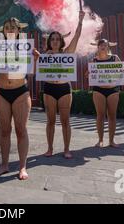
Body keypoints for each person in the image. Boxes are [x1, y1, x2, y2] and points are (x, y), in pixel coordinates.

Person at [0, 18, 36, 181]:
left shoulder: (26, 47)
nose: (10, 30)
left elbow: (31, 73)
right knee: (4, 130)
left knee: (21, 130)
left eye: (13, 28)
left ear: (19, 30)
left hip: (20, 92)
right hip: (1, 91)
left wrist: (36, 60)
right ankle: (4, 165)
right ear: (3, 30)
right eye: (7, 27)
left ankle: (22, 167)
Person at [39, 10, 85, 159]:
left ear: (61, 41)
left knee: (65, 120)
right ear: (49, 41)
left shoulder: (67, 53)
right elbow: (36, 68)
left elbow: (77, 36)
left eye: (58, 39)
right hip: (49, 89)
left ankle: (66, 149)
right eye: (52, 39)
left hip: (64, 89)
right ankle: (50, 149)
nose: (55, 41)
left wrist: (80, 21)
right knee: (50, 121)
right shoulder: (44, 55)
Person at [88, 39, 121, 148]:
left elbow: (121, 72)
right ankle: (100, 140)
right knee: (100, 115)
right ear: (98, 47)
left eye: (105, 45)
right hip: (98, 89)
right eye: (101, 45)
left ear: (108, 47)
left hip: (113, 89)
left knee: (112, 115)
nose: (103, 47)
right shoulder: (94, 61)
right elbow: (89, 74)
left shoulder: (115, 58)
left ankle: (111, 140)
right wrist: (88, 74)